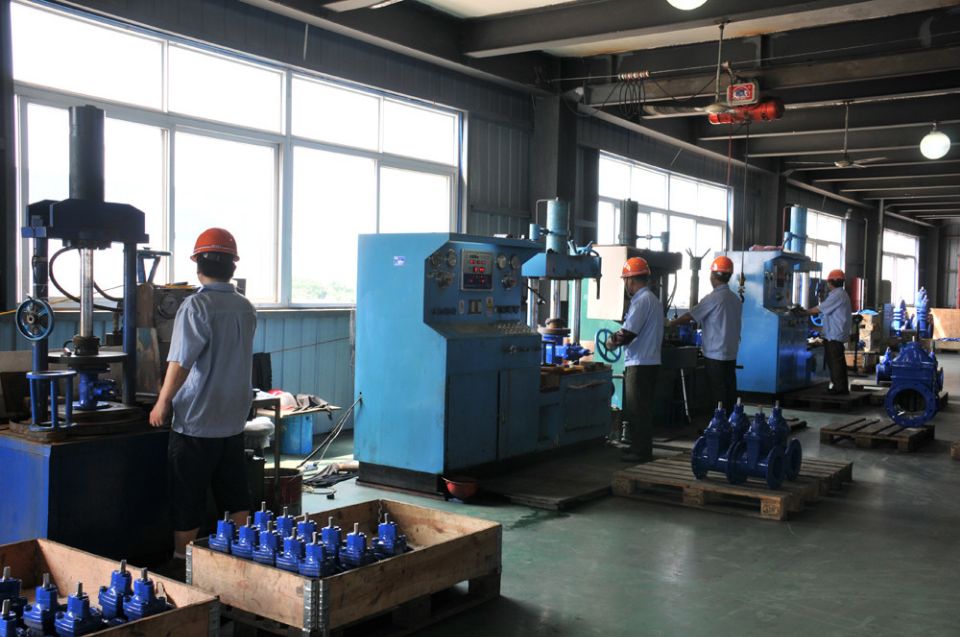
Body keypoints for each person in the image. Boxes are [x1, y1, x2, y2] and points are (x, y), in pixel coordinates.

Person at [149, 227, 258, 563]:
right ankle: (242, 556)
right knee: (235, 492)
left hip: (197, 420)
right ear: (232, 266)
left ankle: (182, 562)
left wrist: (162, 403)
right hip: (232, 418)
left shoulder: (196, 306)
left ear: (198, 264)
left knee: (188, 496)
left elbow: (181, 362)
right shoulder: (245, 307)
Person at [666, 255, 742, 414]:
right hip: (731, 353)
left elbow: (690, 316)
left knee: (717, 393)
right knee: (729, 390)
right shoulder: (735, 299)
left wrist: (670, 324)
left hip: (715, 354)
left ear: (713, 276)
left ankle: (719, 423)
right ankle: (731, 421)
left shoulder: (713, 298)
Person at [605, 257, 663, 463]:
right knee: (642, 408)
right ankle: (639, 445)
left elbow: (628, 333)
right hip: (650, 361)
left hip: (640, 363)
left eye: (625, 280)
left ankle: (640, 451)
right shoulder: (653, 300)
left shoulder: (641, 301)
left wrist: (611, 342)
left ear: (630, 280)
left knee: (637, 408)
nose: (626, 285)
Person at [796, 269, 852, 394]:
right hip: (835, 333)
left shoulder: (837, 295)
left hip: (834, 335)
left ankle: (839, 388)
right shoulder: (841, 294)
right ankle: (840, 387)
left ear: (830, 282)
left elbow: (820, 309)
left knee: (835, 362)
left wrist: (803, 312)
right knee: (837, 361)